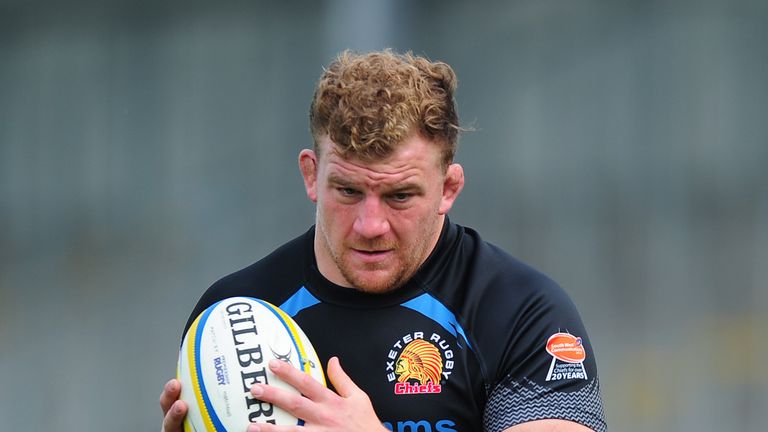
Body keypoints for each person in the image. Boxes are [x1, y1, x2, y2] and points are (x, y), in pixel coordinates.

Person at [160, 49, 606, 432]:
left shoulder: (520, 312)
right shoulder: (234, 313)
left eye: (399, 196)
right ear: (311, 175)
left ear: (448, 188)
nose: (370, 225)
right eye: (348, 191)